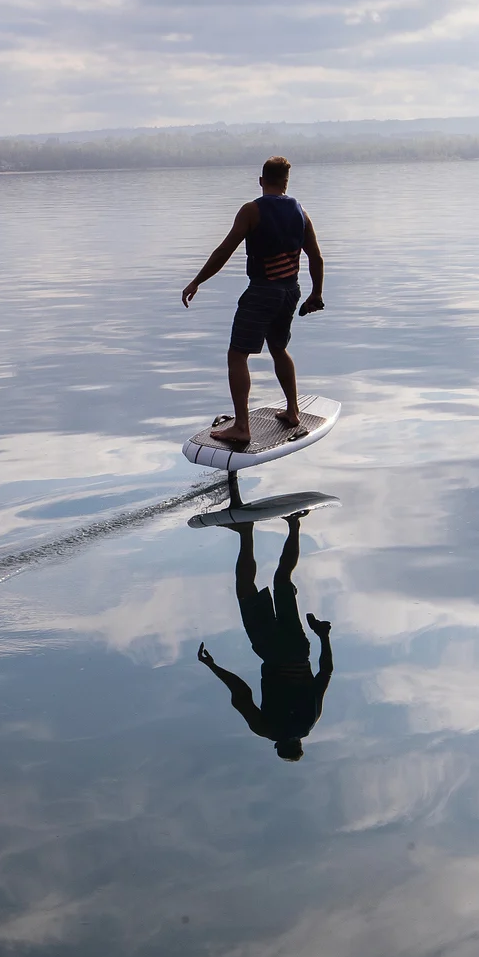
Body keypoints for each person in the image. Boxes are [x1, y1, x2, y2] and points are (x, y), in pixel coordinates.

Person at [181, 155, 325, 450]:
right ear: (287, 182)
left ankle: (243, 427)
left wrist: (197, 281)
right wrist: (316, 294)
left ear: (261, 180)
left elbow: (224, 251)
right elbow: (316, 257)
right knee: (279, 349)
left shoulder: (251, 211)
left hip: (262, 291)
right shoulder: (301, 211)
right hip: (290, 291)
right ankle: (293, 411)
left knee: (237, 355)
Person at [197, 512, 333, 761]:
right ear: (279, 746)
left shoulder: (312, 719)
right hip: (271, 651)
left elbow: (325, 673)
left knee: (283, 579)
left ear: (300, 744)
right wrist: (213, 667)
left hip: (299, 650)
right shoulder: (266, 730)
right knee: (246, 590)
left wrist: (323, 636)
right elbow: (241, 694)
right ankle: (246, 531)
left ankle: (293, 524)